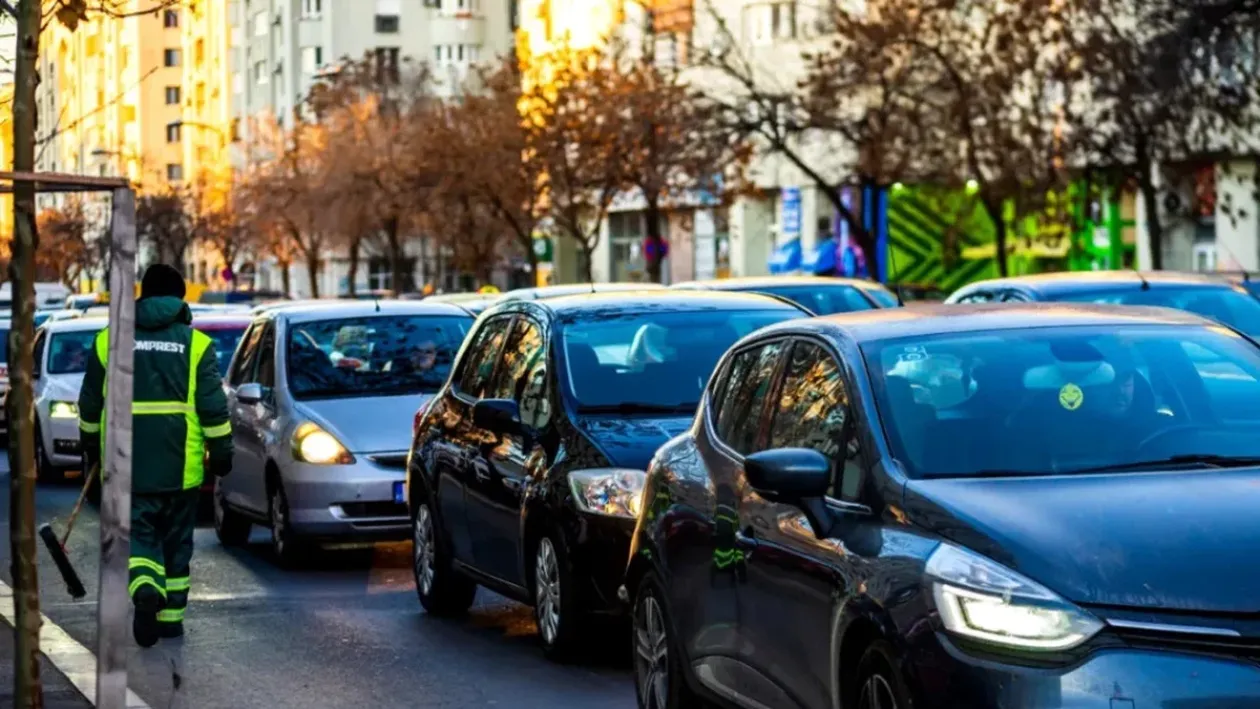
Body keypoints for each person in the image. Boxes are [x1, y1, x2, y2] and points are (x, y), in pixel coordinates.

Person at [77, 265, 233, 648]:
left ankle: (145, 586)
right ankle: (171, 621)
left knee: (140, 536)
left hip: (125, 463)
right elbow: (214, 409)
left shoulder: (107, 342)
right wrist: (222, 453)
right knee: (177, 542)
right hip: (181, 467)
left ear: (142, 296)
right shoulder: (196, 346)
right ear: (181, 298)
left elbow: (89, 403)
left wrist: (90, 442)